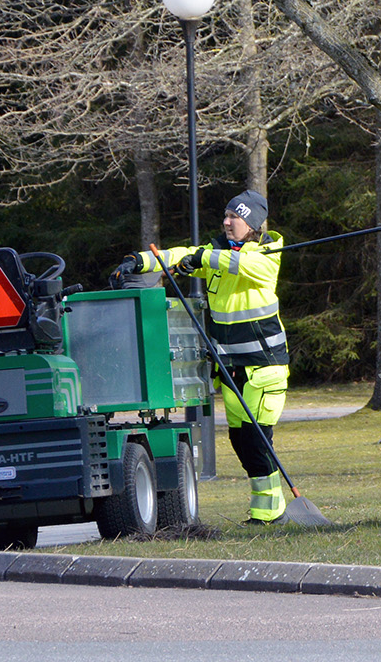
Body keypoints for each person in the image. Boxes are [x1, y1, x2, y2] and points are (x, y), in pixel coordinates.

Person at [115, 189, 289, 524]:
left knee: (257, 439)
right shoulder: (218, 252)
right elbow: (182, 254)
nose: (226, 222)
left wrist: (204, 259)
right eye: (225, 216)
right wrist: (141, 260)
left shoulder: (267, 253)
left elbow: (244, 265)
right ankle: (267, 510)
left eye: (234, 217)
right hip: (231, 369)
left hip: (266, 367)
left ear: (250, 223)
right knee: (241, 440)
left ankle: (271, 511)